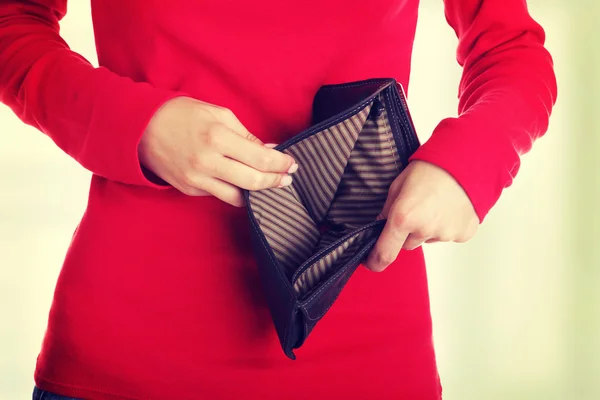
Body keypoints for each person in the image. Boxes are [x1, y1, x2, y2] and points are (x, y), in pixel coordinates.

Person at [0, 0, 557, 399]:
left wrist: (469, 164)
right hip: (128, 354)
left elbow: (511, 50)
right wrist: (136, 124)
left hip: (365, 353)